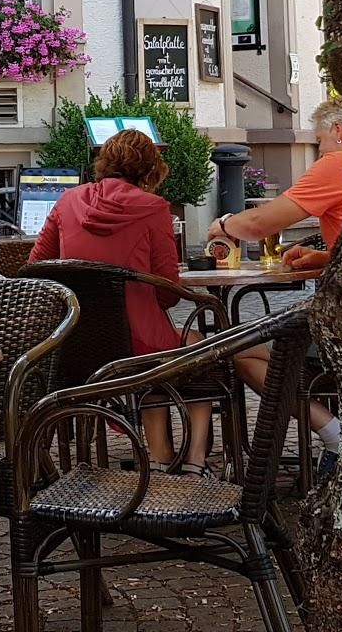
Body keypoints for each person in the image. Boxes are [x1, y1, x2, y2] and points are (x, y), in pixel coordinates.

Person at [31, 129, 214, 473]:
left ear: (104, 164)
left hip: (76, 344)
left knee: (155, 351)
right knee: (199, 349)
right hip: (139, 346)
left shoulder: (67, 201)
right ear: (149, 170)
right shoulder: (154, 207)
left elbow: (38, 266)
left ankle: (159, 456)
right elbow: (168, 291)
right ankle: (193, 461)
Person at [206, 97, 342, 473]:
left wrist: (223, 225)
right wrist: (327, 259)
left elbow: (260, 224)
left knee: (240, 347)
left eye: (318, 141)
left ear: (339, 131)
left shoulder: (340, 163)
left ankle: (335, 433)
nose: (319, 149)